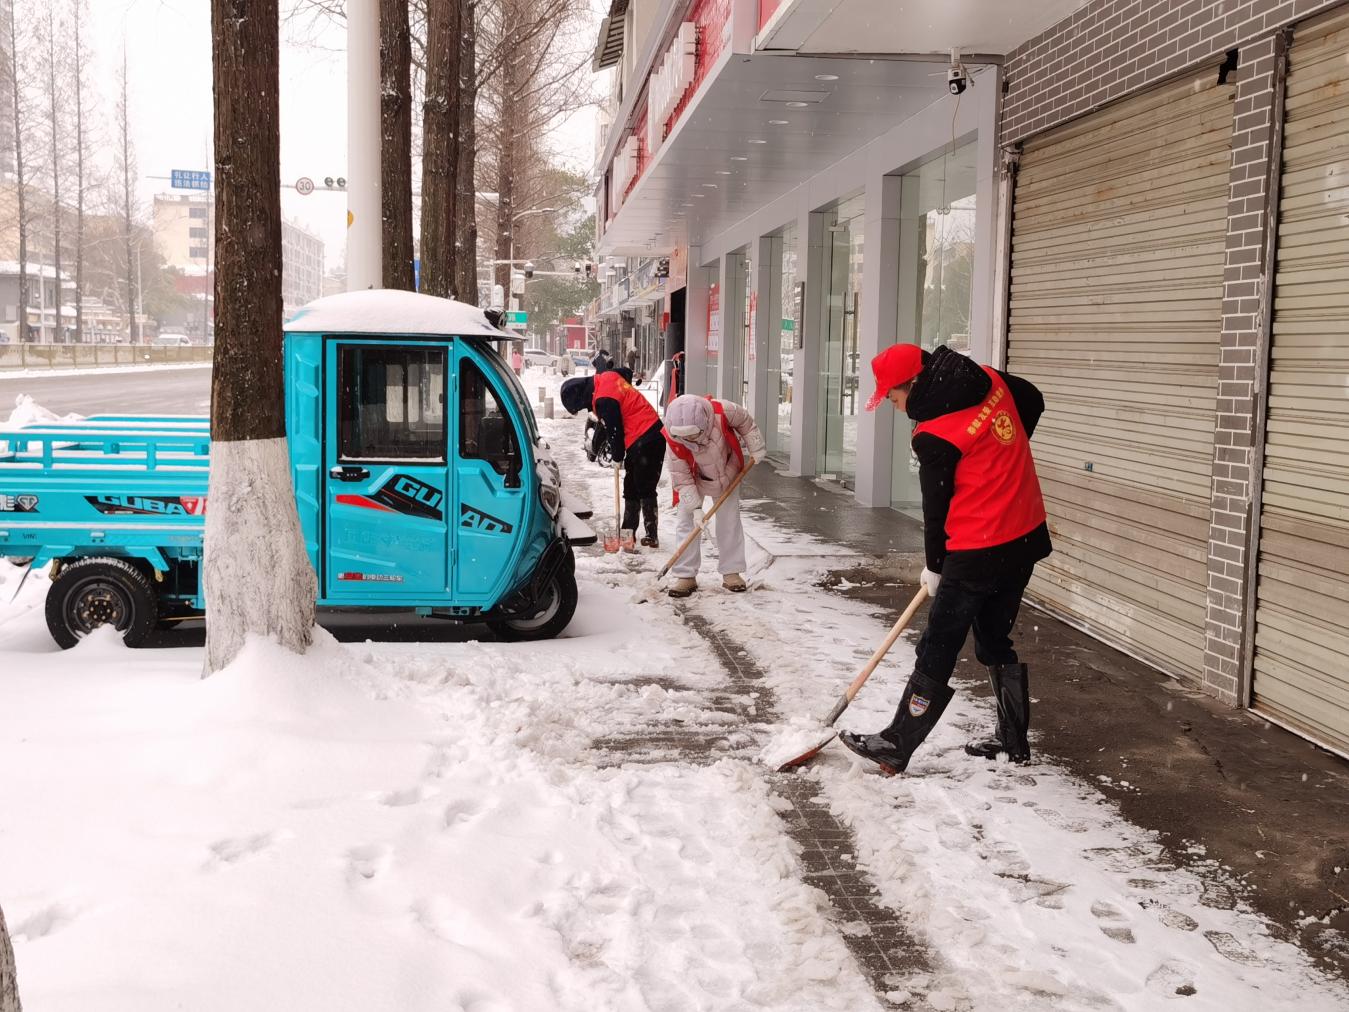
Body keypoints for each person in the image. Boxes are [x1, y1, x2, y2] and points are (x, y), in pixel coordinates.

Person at [839, 343, 1052, 775]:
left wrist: (935, 565)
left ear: (912, 384)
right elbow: (1032, 398)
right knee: (994, 638)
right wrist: (1004, 457)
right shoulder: (988, 378)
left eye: (892, 395)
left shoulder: (934, 435)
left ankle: (897, 744)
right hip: (1024, 535)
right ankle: (1013, 742)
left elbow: (936, 512)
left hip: (976, 550)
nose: (892, 403)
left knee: (938, 644)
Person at [662, 394, 767, 597]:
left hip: (728, 470)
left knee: (729, 521)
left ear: (704, 424)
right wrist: (696, 509)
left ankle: (732, 572)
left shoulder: (721, 411)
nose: (689, 440)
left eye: (693, 435)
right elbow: (681, 477)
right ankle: (685, 575)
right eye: (684, 437)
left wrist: (756, 445)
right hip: (693, 477)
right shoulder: (673, 439)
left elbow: (745, 421)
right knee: (687, 522)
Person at [560, 370, 665, 548]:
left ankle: (651, 535)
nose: (586, 409)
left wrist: (617, 456)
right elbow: (625, 372)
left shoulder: (604, 399)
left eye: (582, 406)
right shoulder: (606, 378)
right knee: (631, 486)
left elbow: (614, 431)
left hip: (648, 436)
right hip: (642, 436)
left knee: (644, 485)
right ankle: (627, 534)